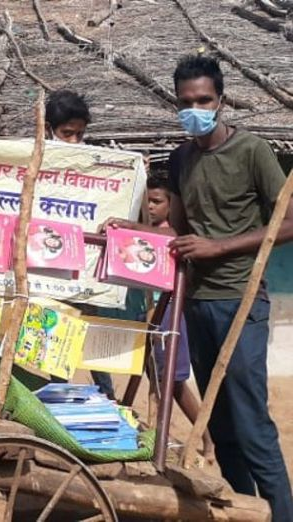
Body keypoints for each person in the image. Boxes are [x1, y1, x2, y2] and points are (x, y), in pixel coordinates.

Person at [104, 55, 293, 520]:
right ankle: (245, 509)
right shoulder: (181, 158)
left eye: (204, 100)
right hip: (196, 302)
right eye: (186, 102)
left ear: (221, 101)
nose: (195, 108)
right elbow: (180, 233)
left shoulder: (252, 151)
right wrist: (128, 230)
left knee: (251, 423)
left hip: (240, 299)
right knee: (219, 424)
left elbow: (288, 221)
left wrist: (219, 247)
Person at [45, 90, 116, 400]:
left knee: (93, 342)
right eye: (67, 134)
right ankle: (60, 402)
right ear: (49, 128)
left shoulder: (95, 165)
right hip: (47, 271)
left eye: (80, 134)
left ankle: (108, 401)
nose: (74, 141)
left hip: (84, 268)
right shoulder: (35, 158)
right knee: (56, 339)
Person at [146, 173, 215, 463]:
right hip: (152, 309)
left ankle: (206, 441)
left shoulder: (171, 232)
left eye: (157, 201)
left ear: (171, 204)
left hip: (171, 311)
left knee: (171, 382)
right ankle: (170, 436)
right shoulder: (148, 228)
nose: (150, 207)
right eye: (147, 201)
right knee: (162, 380)